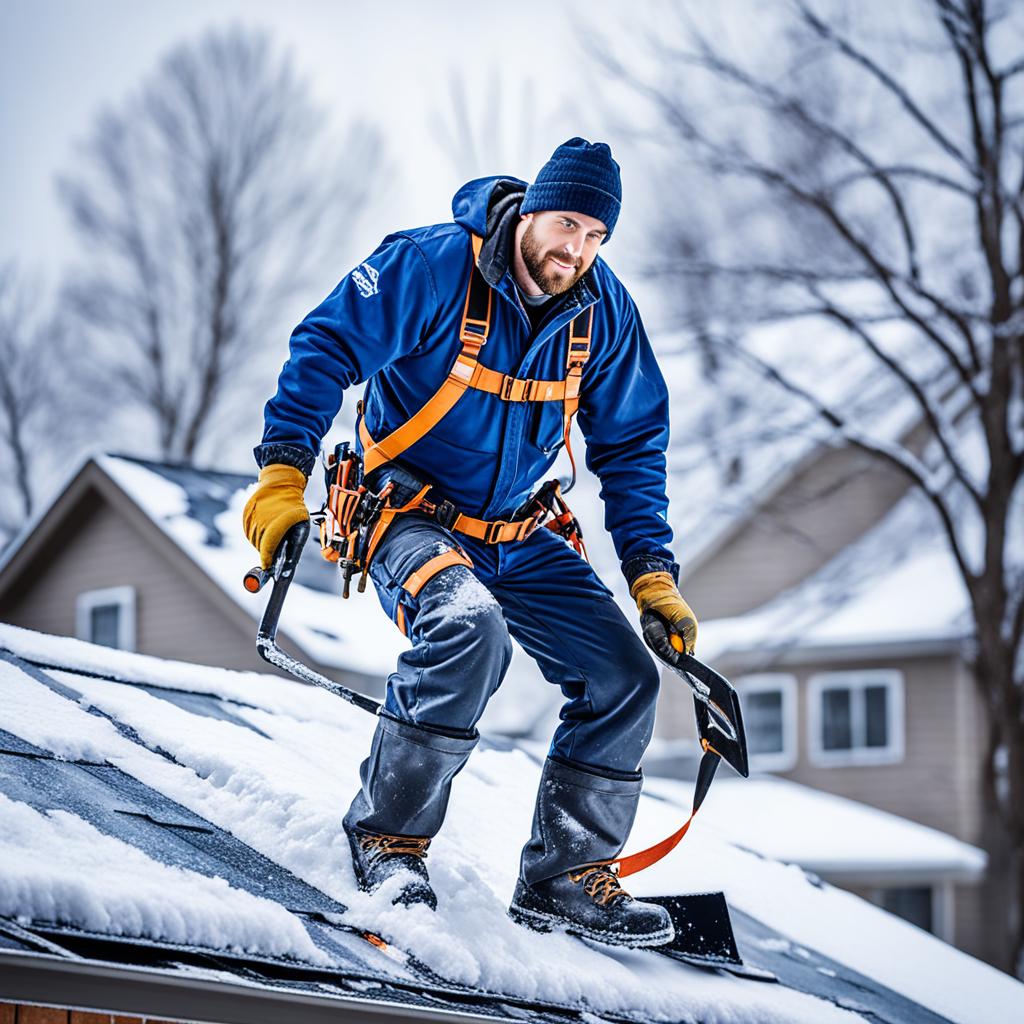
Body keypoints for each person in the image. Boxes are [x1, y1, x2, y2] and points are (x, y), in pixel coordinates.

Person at [243, 138, 698, 949]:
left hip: (518, 532)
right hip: (403, 514)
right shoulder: (430, 266)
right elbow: (323, 350)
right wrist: (283, 477)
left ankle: (563, 876)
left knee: (625, 675)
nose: (576, 251)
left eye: (597, 237)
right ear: (530, 209)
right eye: (566, 225)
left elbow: (633, 444)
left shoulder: (603, 310)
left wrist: (652, 577)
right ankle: (388, 840)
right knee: (466, 625)